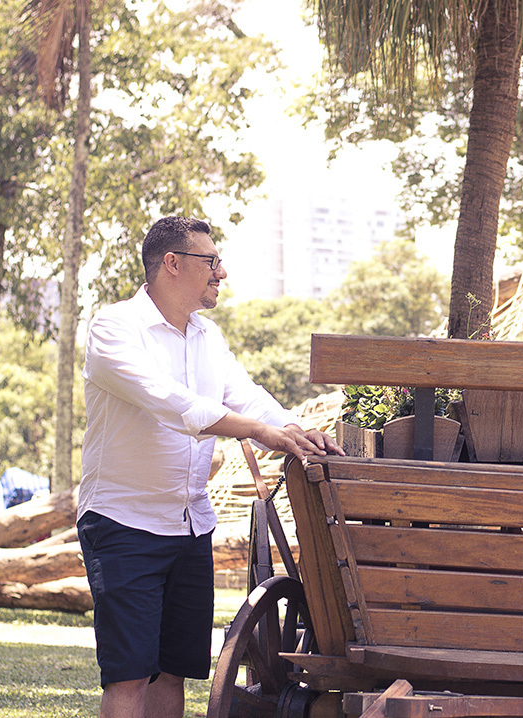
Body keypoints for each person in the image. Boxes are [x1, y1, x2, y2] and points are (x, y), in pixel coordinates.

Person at [77, 216, 344, 718]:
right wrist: (257, 432)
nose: (222, 272)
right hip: (123, 523)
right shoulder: (113, 327)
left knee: (173, 671)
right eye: (211, 261)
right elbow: (170, 403)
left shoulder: (207, 337)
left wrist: (293, 429)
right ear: (172, 264)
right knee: (130, 676)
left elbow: (248, 397)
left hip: (191, 524)